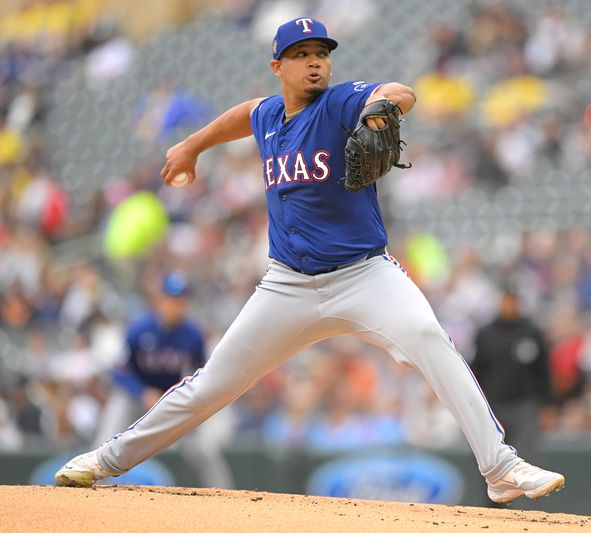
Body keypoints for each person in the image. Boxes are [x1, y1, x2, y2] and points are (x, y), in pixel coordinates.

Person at [55, 17, 564, 503]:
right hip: (287, 286)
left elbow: (399, 92)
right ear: (278, 66)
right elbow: (245, 114)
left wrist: (380, 109)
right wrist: (191, 144)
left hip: (365, 275)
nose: (315, 62)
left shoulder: (340, 103)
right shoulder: (269, 116)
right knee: (211, 385)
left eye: (321, 53)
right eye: (300, 55)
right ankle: (106, 460)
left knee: (431, 339)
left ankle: (500, 469)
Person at [93, 272, 233, 488]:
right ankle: (92, 485)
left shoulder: (193, 335)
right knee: (107, 435)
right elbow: (119, 371)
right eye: (170, 299)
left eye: (180, 300)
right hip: (135, 396)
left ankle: (225, 493)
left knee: (203, 447)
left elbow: (204, 374)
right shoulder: (139, 328)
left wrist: (181, 398)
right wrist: (142, 392)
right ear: (160, 299)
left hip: (168, 398)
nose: (174, 305)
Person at [471, 287, 551, 462]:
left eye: (513, 301)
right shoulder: (486, 334)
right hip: (494, 405)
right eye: (506, 300)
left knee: (527, 457)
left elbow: (543, 370)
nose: (509, 305)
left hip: (526, 405)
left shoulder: (531, 332)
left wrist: (547, 405)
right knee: (494, 458)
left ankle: (525, 491)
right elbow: (476, 371)